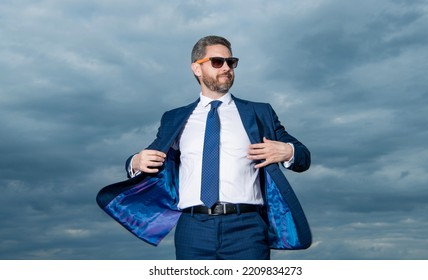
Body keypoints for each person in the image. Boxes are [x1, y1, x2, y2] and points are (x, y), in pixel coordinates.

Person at [97, 35, 312, 260]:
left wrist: (288, 151)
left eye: (231, 62)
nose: (227, 67)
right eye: (218, 62)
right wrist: (135, 162)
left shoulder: (259, 113)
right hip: (193, 227)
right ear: (197, 68)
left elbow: (303, 156)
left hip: (246, 228)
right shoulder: (175, 118)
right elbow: (149, 156)